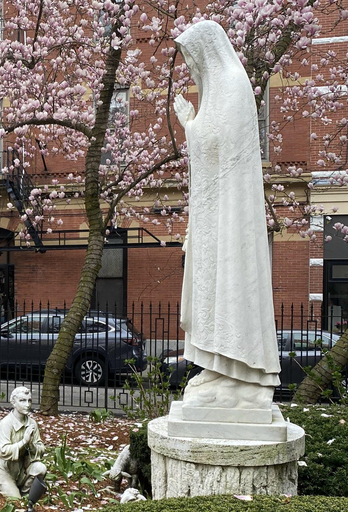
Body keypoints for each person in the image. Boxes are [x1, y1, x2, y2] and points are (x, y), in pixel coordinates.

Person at [174, 20, 280, 410]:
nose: (191, 68)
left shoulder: (234, 84)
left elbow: (221, 145)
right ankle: (220, 367)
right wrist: (195, 125)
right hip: (213, 216)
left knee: (229, 284)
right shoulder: (220, 89)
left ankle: (242, 371)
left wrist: (189, 125)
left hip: (229, 218)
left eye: (193, 58)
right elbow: (213, 144)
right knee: (212, 288)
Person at [0, 387, 46, 498]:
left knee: (41, 468)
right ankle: (3, 486)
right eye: (22, 401)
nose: (27, 404)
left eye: (29, 400)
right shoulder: (6, 423)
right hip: (5, 470)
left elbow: (41, 449)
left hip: (23, 469)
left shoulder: (32, 424)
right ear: (14, 403)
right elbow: (3, 451)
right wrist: (23, 442)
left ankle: (25, 493)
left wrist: (31, 444)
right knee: (15, 499)